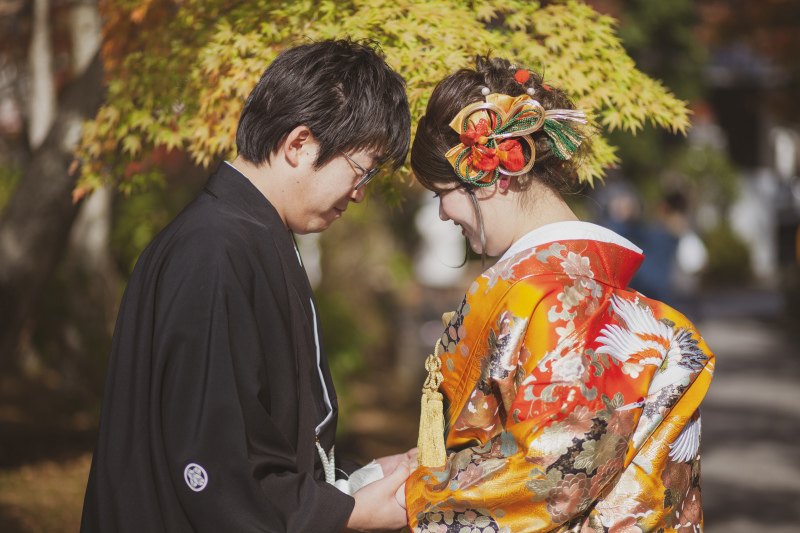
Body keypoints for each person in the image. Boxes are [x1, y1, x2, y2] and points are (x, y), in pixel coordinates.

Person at [81, 38, 415, 533]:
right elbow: (215, 458)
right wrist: (349, 513)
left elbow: (266, 433)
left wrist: (354, 483)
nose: (360, 194)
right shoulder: (214, 251)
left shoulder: (245, 234)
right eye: (360, 170)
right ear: (299, 144)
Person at [405, 56, 715, 533]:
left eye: (440, 192)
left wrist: (409, 498)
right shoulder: (562, 290)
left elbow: (554, 474)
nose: (444, 214)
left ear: (494, 172)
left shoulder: (563, 300)